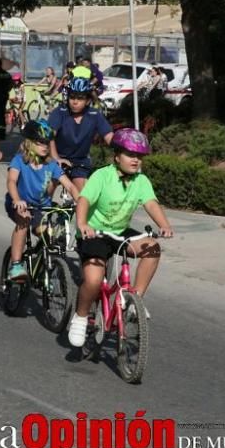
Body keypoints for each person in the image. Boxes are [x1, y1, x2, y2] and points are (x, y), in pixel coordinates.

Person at [69, 129, 174, 347]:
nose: (136, 160)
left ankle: (135, 300)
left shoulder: (141, 180)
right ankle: (80, 317)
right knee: (94, 280)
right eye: (130, 154)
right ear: (117, 156)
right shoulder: (102, 176)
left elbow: (151, 203)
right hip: (95, 233)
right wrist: (82, 224)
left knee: (152, 249)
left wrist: (164, 225)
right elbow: (84, 200)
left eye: (139, 156)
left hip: (119, 232)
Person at [5, 120, 81, 282]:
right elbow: (11, 181)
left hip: (40, 208)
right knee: (24, 221)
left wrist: (80, 201)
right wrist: (17, 200)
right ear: (29, 143)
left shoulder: (51, 165)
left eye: (47, 143)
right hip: (19, 203)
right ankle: (16, 265)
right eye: (40, 143)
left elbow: (70, 185)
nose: (45, 147)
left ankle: (45, 269)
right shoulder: (19, 160)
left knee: (48, 236)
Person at [49, 77, 113, 192]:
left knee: (82, 196)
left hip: (80, 161)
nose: (75, 101)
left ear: (88, 100)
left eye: (80, 98)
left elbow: (109, 137)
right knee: (47, 188)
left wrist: (123, 152)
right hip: (58, 158)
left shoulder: (94, 115)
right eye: (72, 97)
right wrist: (56, 158)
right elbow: (49, 137)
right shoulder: (60, 112)